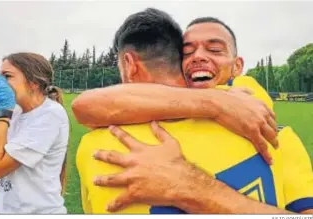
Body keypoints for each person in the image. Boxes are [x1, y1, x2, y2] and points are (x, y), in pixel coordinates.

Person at [74, 9, 313, 214]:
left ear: (238, 65)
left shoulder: (95, 146)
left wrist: (193, 188)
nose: (199, 56)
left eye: (215, 49)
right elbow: (87, 105)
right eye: (187, 52)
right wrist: (215, 102)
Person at [0, 53, 69, 214]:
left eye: (7, 76)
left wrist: (2, 111)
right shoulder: (14, 110)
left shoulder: (50, 114)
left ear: (33, 83)